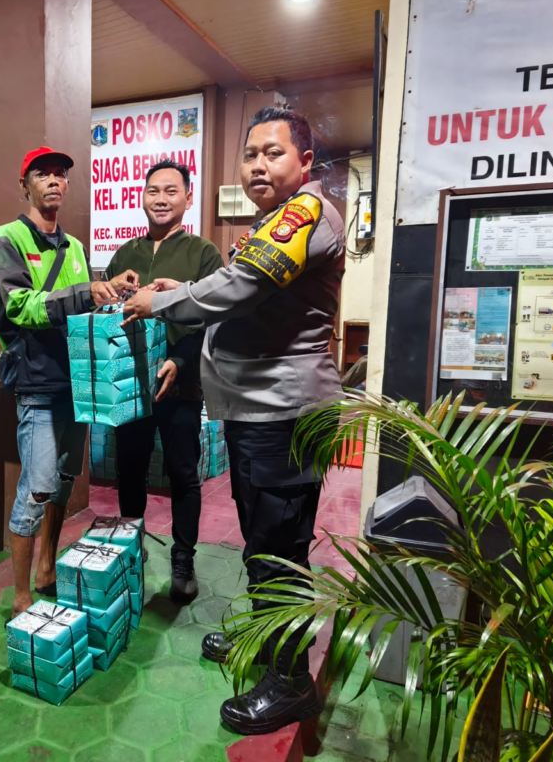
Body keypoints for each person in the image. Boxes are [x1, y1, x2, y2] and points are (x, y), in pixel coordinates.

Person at [121, 107, 345, 735]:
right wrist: (184, 288)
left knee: (281, 550)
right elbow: (244, 284)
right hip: (258, 412)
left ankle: (291, 681)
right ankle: (265, 641)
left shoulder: (306, 212)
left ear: (304, 161)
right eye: (250, 155)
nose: (258, 165)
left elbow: (243, 286)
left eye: (274, 153)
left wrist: (162, 299)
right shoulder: (275, 219)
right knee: (262, 540)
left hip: (284, 414)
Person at [0, 146, 135, 618]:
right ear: (25, 185)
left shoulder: (74, 248)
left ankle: (47, 568)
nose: (54, 181)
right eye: (42, 174)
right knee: (36, 488)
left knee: (64, 482)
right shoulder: (8, 238)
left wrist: (111, 291)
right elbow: (20, 306)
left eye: (60, 174)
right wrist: (83, 292)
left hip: (78, 385)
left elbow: (82, 310)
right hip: (37, 385)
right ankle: (21, 596)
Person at [104, 158, 224, 603]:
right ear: (142, 197)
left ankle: (183, 559)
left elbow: (211, 321)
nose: (161, 199)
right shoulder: (125, 254)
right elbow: (107, 315)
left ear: (188, 199)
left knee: (183, 474)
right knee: (129, 471)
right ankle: (131, 551)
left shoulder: (204, 253)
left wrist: (178, 360)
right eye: (153, 190)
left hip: (181, 385)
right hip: (131, 386)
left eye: (171, 191)